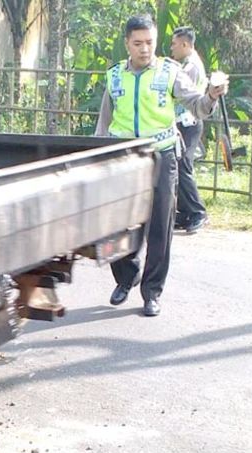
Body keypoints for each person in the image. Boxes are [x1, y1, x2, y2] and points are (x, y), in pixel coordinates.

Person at [95, 15, 227, 317]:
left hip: (162, 155)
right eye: (138, 43)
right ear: (127, 43)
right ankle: (127, 276)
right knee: (115, 223)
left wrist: (211, 95)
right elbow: (104, 121)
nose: (144, 49)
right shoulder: (114, 76)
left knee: (160, 226)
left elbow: (197, 104)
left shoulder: (170, 72)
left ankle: (152, 292)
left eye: (150, 43)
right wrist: (98, 152)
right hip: (123, 158)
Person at [170, 26, 209, 233]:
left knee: (183, 165)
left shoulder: (191, 67)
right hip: (185, 123)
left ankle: (198, 212)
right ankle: (185, 213)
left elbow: (182, 95)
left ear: (185, 44)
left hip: (189, 123)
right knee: (178, 165)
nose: (171, 48)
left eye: (174, 44)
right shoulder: (187, 63)